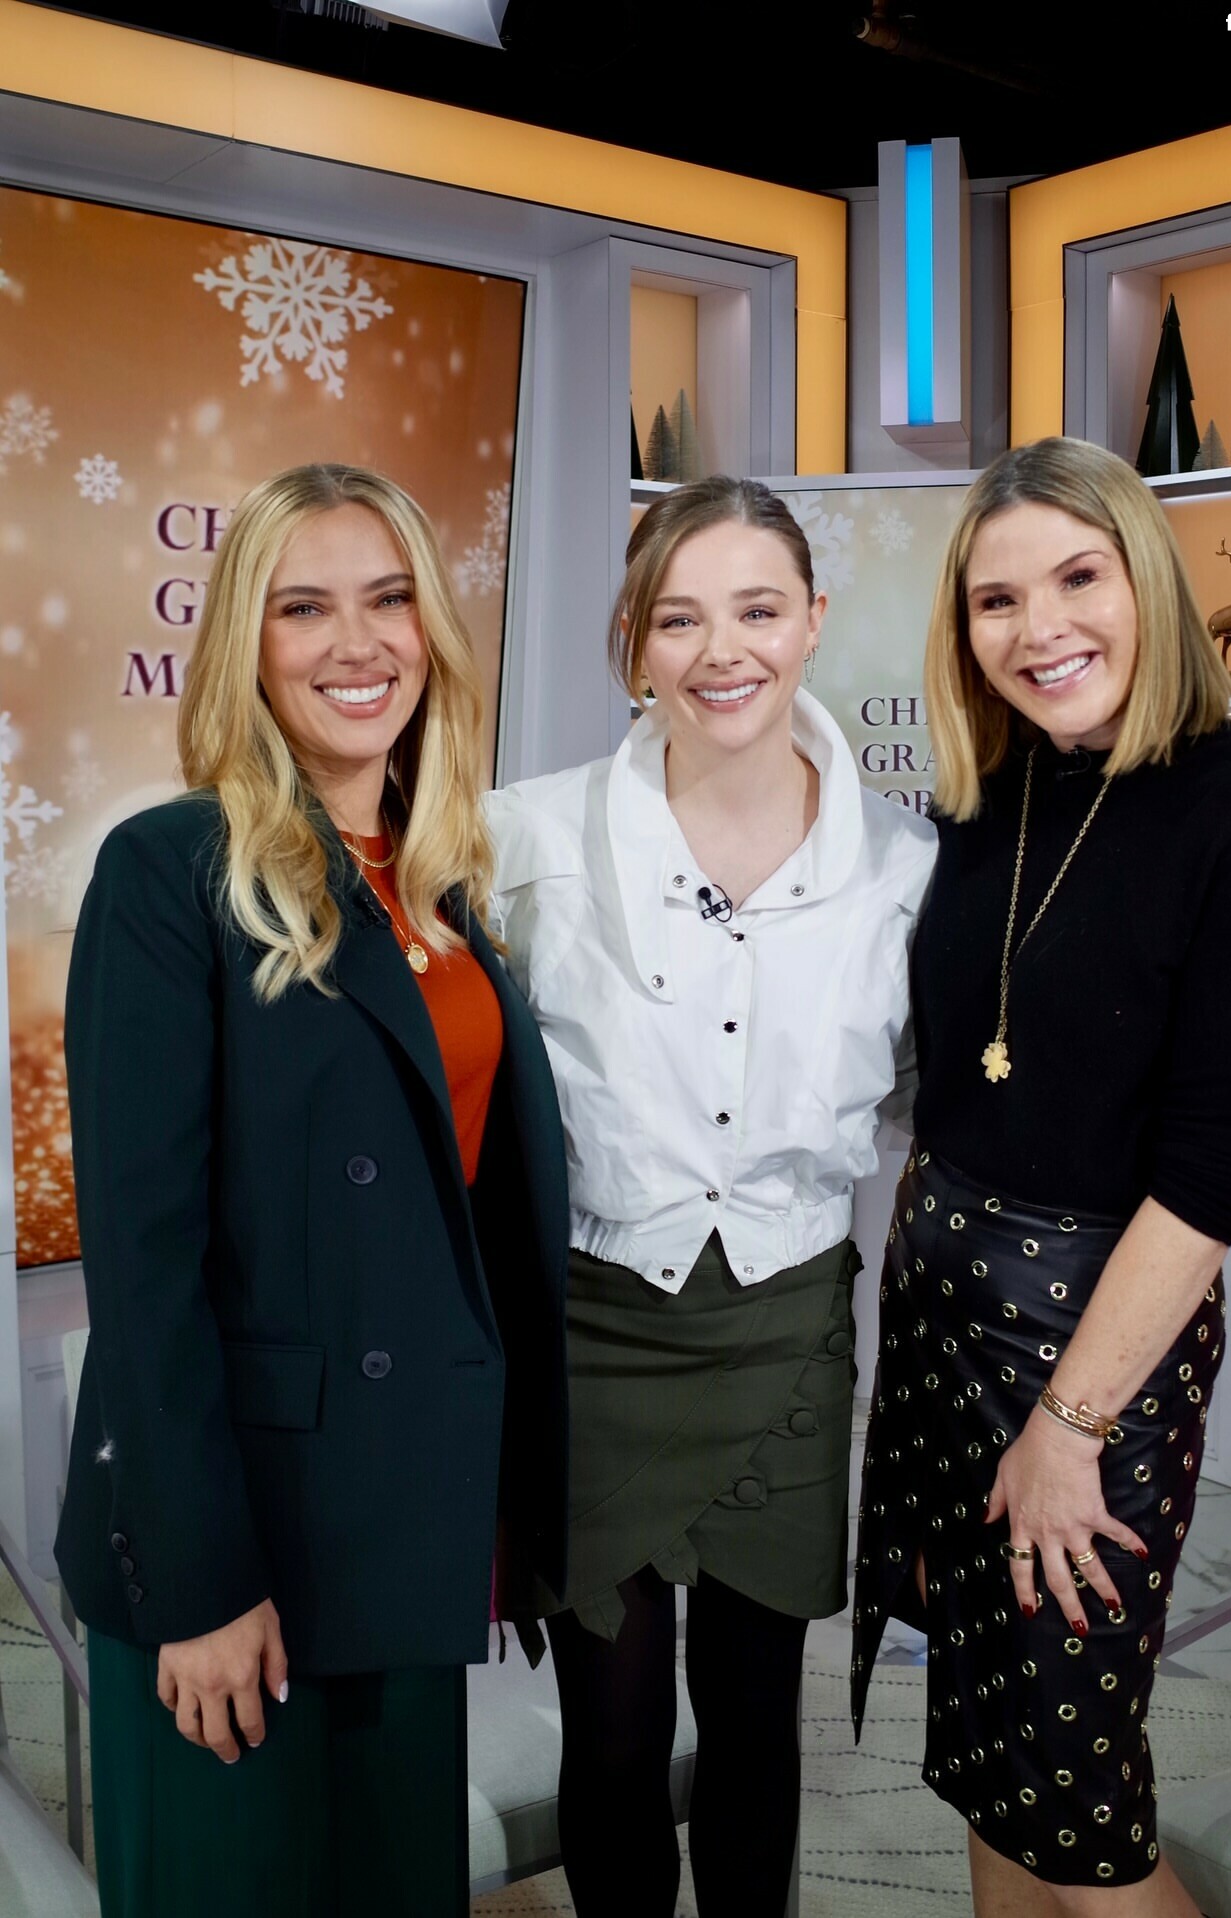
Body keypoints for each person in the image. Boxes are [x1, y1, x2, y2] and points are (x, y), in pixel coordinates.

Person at [56, 462, 569, 1918]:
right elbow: (144, 1268)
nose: (358, 643)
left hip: (405, 1508)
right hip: (244, 1532)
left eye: (390, 598)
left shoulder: (442, 881)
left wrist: (506, 1507)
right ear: (248, 642)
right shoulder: (169, 869)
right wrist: (200, 1581)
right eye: (304, 608)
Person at [851, 437, 1231, 1918]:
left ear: (1148, 582)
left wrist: (1070, 1427)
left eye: (1077, 577)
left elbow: (1220, 1171)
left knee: (1078, 1799)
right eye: (997, 599)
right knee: (988, 1756)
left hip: (1091, 1350)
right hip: (940, 1327)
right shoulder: (986, 794)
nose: (1040, 627)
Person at [485, 475, 936, 1916]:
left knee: (754, 1719)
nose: (721, 650)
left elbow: (934, 1104)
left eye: (757, 609)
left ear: (813, 620)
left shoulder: (908, 869)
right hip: (594, 1328)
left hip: (787, 1328)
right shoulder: (521, 840)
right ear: (633, 638)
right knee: (615, 1735)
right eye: (678, 617)